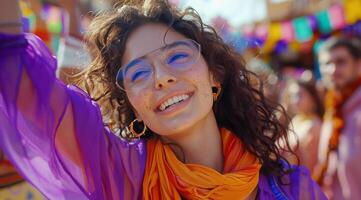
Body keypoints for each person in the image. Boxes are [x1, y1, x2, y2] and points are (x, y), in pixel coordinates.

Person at [0, 0, 326, 199]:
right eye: (139, 73)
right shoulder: (121, 174)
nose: (161, 77)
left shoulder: (293, 189)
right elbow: (23, 81)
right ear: (133, 105)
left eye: (178, 56)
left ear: (215, 76)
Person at [314, 37, 361, 199]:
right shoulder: (333, 110)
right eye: (326, 64)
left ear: (358, 64)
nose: (332, 70)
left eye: (341, 62)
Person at [285, 76, 324, 174]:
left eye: (299, 95)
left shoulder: (315, 126)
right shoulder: (296, 120)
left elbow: (312, 166)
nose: (294, 100)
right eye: (292, 96)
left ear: (313, 98)